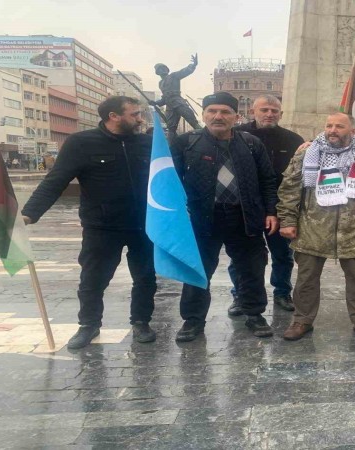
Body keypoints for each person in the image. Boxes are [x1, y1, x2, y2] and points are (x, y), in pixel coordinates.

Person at [21, 96, 157, 349]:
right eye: (134, 114)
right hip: (101, 227)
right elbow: (56, 180)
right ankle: (89, 325)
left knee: (145, 277)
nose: (140, 119)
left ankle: (141, 322)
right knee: (93, 279)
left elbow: (167, 180)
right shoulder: (81, 143)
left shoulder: (149, 143)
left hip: (144, 227)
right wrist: (29, 214)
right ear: (113, 116)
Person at [277, 112, 355, 341]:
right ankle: (302, 320)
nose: (332, 130)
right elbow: (289, 189)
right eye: (329, 125)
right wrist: (288, 220)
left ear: (352, 131)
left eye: (339, 126)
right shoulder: (306, 155)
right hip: (312, 230)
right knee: (306, 281)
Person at [170, 92, 278, 342]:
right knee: (198, 270)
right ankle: (192, 320)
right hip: (202, 218)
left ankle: (254, 314)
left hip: (244, 216)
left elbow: (267, 180)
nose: (218, 116)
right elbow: (170, 183)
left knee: (251, 268)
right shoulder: (187, 143)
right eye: (213, 111)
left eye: (225, 112)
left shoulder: (251, 143)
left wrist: (271, 211)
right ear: (204, 114)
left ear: (236, 116)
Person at [225, 95, 305, 314]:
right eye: (264, 110)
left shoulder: (293, 140)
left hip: (280, 208)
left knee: (282, 255)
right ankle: (241, 295)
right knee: (240, 256)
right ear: (253, 111)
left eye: (274, 110)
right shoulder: (235, 135)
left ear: (281, 114)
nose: (269, 114)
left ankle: (282, 292)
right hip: (243, 207)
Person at [151, 54, 201, 136]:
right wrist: (156, 103)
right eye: (161, 69)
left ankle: (206, 138)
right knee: (171, 129)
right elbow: (164, 99)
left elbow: (184, 71)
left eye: (164, 68)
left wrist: (193, 65)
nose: (163, 70)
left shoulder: (173, 76)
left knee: (192, 121)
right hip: (169, 106)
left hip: (178, 102)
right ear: (158, 72)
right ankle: (172, 146)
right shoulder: (160, 83)